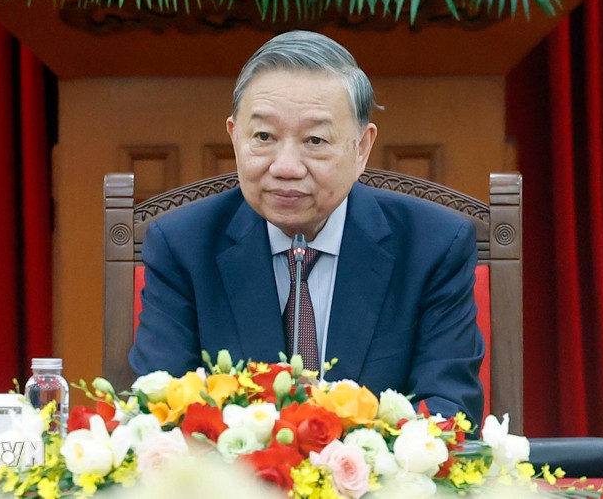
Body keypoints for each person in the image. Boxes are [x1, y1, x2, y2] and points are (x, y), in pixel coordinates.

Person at [129, 30, 484, 426]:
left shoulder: (433, 246)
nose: (286, 167)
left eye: (315, 140)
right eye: (264, 136)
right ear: (234, 137)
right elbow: (157, 411)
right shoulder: (183, 245)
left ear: (361, 148)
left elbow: (449, 410)